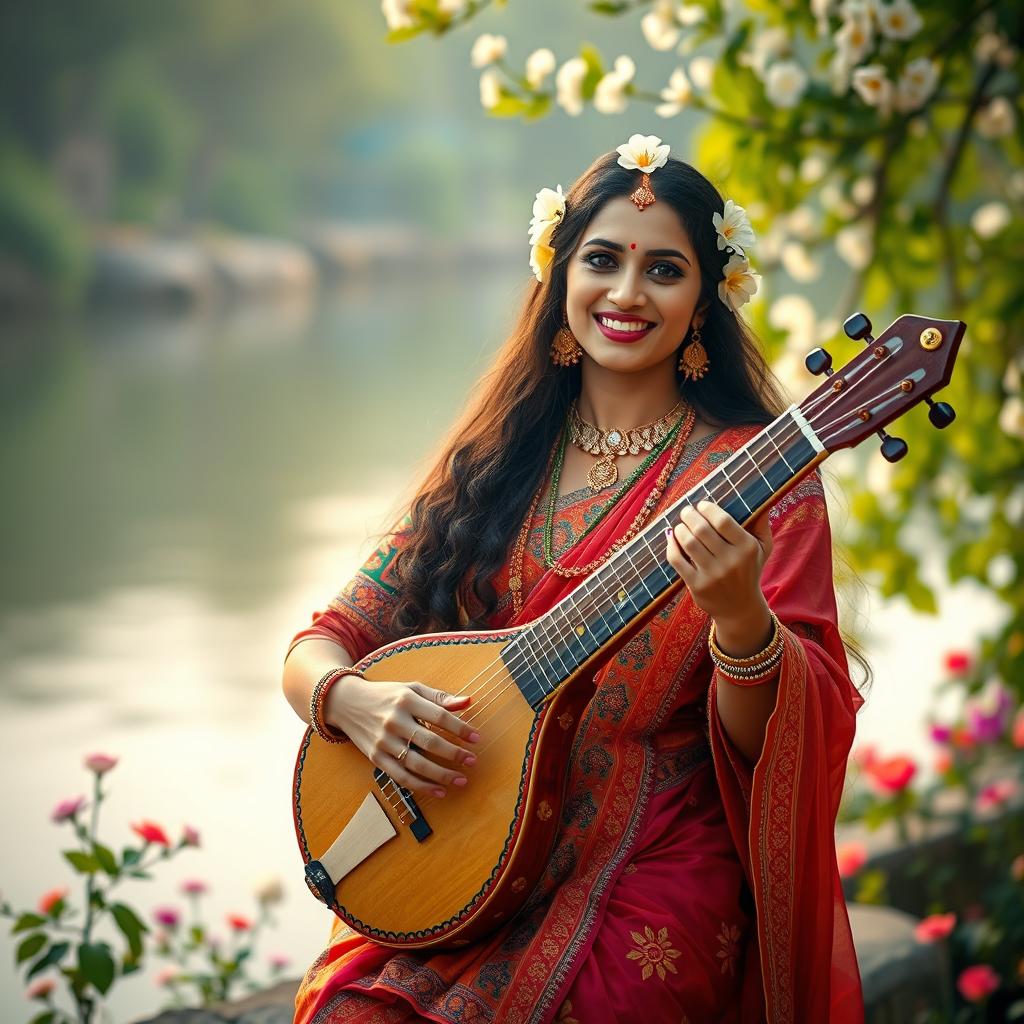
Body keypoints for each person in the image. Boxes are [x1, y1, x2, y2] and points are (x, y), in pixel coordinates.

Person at [281, 133, 867, 1023]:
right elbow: (326, 639)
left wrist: (741, 622)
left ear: (706, 298)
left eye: (664, 270)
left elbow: (781, 739)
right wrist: (351, 701)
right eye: (602, 260)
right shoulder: (501, 457)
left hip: (648, 861)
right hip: (466, 843)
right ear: (560, 278)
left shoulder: (761, 479)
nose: (627, 295)